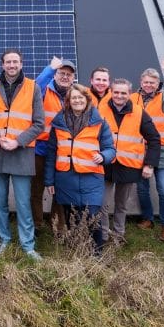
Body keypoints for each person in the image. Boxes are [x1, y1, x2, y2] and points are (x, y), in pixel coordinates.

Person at [0, 49, 45, 260]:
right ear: (3, 64)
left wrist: (18, 141)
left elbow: (39, 123)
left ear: (21, 63)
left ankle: (28, 245)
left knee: (23, 203)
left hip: (22, 153)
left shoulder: (33, 87)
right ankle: (4, 239)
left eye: (15, 61)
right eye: (8, 62)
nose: (12, 65)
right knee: (0, 202)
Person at [43, 84, 116, 253]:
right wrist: (49, 180)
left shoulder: (99, 122)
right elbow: (51, 153)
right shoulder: (58, 122)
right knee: (72, 216)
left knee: (92, 215)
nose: (77, 100)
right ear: (68, 101)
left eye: (80, 97)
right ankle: (77, 249)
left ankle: (96, 253)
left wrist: (103, 156)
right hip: (65, 178)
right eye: (73, 98)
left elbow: (111, 149)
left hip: (91, 177)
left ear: (87, 99)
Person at [98, 78, 160, 245]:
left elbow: (154, 138)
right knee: (101, 204)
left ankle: (119, 236)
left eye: (123, 92)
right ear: (111, 92)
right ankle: (102, 237)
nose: (119, 95)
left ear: (129, 93)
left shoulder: (139, 112)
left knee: (121, 205)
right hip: (105, 164)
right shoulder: (100, 109)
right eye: (116, 92)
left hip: (128, 166)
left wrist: (149, 164)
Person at [133, 59, 164, 243]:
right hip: (138, 148)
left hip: (163, 149)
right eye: (146, 82)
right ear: (141, 82)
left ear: (157, 83)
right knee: (142, 188)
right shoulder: (132, 98)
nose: (148, 85)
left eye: (152, 82)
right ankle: (147, 219)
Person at [31, 57, 73, 233]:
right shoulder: (43, 90)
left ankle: (57, 225)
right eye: (61, 73)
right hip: (41, 148)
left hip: (63, 151)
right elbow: (34, 87)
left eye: (69, 75)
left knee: (60, 190)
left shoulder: (76, 94)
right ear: (55, 75)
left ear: (73, 78)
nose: (65, 77)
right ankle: (36, 224)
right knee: (36, 189)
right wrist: (49, 68)